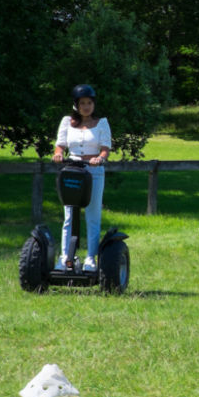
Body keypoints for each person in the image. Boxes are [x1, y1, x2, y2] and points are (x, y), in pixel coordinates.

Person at [52, 84, 111, 271]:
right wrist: (58, 154)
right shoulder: (67, 122)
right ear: (76, 105)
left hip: (93, 171)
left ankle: (90, 259)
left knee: (92, 215)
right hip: (72, 169)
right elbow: (60, 145)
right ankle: (65, 258)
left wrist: (99, 159)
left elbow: (105, 149)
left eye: (89, 103)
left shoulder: (102, 123)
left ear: (94, 104)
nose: (86, 106)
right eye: (82, 103)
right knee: (69, 215)